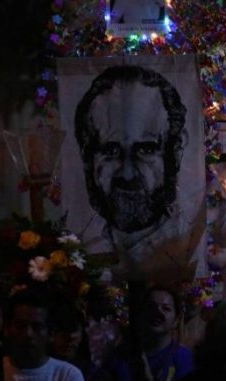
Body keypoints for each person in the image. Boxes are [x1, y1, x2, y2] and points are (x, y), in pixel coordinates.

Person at [74, 64, 200, 280]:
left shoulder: (192, 245)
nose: (128, 174)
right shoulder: (80, 251)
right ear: (87, 156)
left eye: (146, 150)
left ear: (177, 148)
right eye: (110, 150)